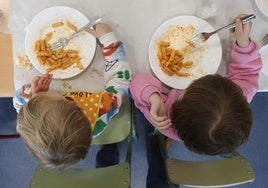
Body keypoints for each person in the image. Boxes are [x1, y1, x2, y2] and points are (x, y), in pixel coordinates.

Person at [130, 14, 262, 186]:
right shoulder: (239, 96)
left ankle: (157, 146)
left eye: (190, 88)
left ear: (179, 105)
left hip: (163, 122)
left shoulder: (167, 118)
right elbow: (246, 73)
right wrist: (244, 44)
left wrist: (153, 98)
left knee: (155, 135)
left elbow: (136, 82)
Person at [14, 23, 132, 170]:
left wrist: (29, 95)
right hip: (97, 125)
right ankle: (107, 147)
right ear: (76, 105)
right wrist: (109, 42)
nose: (44, 91)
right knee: (107, 145)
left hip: (83, 132)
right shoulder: (101, 108)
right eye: (51, 95)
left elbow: (18, 105)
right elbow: (121, 81)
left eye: (37, 99)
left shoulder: (30, 115)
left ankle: (106, 148)